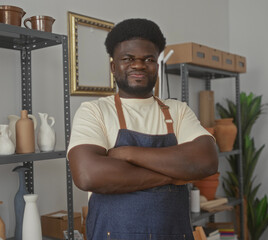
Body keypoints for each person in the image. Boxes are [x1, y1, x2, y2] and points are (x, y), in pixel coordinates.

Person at [67, 18, 218, 240]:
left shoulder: (177, 110)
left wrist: (128, 154)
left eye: (148, 59)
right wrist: (173, 174)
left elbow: (207, 161)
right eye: (128, 59)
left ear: (157, 65)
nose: (138, 65)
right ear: (113, 66)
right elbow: (88, 175)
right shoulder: (94, 111)